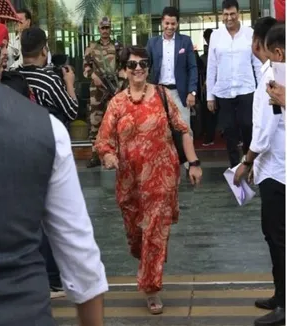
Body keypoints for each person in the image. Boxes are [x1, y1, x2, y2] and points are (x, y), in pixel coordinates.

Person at [0, 0, 107, 324]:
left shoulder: (9, 84)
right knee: (52, 224)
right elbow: (82, 256)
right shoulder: (49, 96)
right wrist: (67, 83)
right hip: (26, 309)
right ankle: (52, 274)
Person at [95, 46, 202, 315]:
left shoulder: (163, 96)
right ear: (124, 70)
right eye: (132, 65)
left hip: (161, 178)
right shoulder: (117, 104)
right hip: (129, 182)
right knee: (136, 236)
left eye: (143, 63)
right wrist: (108, 157)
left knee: (154, 231)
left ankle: (152, 288)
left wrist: (194, 163)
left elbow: (183, 129)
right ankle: (144, 259)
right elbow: (103, 141)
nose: (139, 68)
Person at [234, 19, 285, 326]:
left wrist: (247, 161)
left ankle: (285, 304)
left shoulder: (272, 76)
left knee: (277, 237)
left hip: (276, 170)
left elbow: (265, 130)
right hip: (274, 166)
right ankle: (281, 296)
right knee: (274, 235)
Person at [206, 0, 262, 167]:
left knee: (247, 126)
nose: (229, 17)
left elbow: (257, 64)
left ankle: (249, 163)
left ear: (239, 13)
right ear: (222, 15)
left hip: (246, 89)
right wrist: (210, 96)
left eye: (232, 14)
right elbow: (211, 67)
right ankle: (234, 167)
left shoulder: (249, 33)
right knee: (229, 131)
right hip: (224, 92)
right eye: (225, 14)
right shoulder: (216, 35)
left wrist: (261, 91)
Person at [147, 6, 198, 140]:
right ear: (162, 23)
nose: (170, 27)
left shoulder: (185, 41)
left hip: (180, 93)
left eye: (173, 24)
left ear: (177, 24)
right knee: (160, 130)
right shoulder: (153, 43)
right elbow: (146, 66)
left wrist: (192, 92)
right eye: (167, 23)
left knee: (185, 129)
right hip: (159, 93)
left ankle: (187, 161)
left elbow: (192, 67)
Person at [84, 16, 123, 168]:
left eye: (107, 28)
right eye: (102, 28)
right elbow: (86, 68)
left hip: (113, 89)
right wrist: (94, 76)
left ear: (110, 28)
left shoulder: (117, 46)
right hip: (96, 91)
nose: (105, 31)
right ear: (98, 29)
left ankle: (113, 154)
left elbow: (123, 67)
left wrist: (119, 84)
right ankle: (95, 154)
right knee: (95, 122)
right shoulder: (92, 47)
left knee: (114, 122)